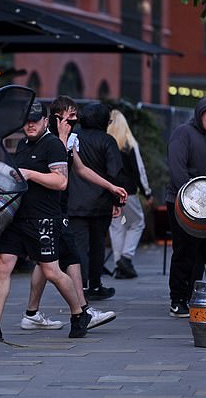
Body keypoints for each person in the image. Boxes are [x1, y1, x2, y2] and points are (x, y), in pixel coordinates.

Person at [0, 102, 91, 342]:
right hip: (18, 216)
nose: (30, 124)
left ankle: (79, 313)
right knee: (2, 265)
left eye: (35, 120)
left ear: (45, 121)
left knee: (51, 270)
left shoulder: (53, 146)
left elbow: (61, 182)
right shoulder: (22, 144)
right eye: (26, 120)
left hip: (44, 217)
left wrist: (31, 174)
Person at [21, 96, 125, 331]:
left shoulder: (70, 141)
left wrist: (110, 186)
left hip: (60, 208)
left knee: (48, 261)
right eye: (70, 115)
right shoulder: (50, 142)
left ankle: (32, 313)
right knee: (66, 259)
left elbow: (80, 168)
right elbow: (60, 178)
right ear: (56, 118)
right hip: (49, 209)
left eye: (75, 114)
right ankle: (82, 311)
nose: (75, 119)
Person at [165, 96, 206, 317]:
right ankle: (177, 299)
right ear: (199, 113)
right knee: (185, 252)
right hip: (182, 203)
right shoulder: (184, 132)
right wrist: (191, 200)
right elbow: (177, 168)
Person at [68, 103, 124, 300]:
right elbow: (115, 171)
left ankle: (79, 286)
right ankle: (95, 285)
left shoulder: (73, 137)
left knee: (79, 246)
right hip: (101, 201)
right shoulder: (107, 141)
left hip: (73, 201)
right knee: (98, 244)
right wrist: (117, 200)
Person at [107, 109, 153, 279]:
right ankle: (126, 258)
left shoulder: (106, 143)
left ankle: (119, 262)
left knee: (116, 226)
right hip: (128, 191)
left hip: (109, 190)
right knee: (137, 222)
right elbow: (139, 171)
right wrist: (147, 192)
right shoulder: (129, 144)